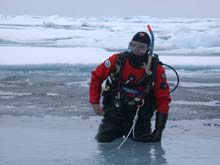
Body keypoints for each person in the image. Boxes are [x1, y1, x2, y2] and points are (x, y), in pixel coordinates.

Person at [89, 31, 171, 143]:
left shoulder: (156, 69)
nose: (136, 50)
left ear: (148, 49)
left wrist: (159, 130)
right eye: (133, 45)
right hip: (115, 115)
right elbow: (97, 76)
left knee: (142, 153)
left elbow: (163, 99)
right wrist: (95, 102)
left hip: (140, 120)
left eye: (141, 47)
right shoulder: (117, 60)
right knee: (103, 143)